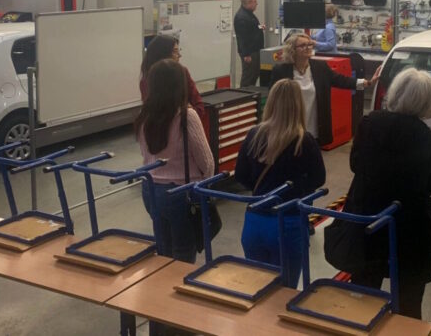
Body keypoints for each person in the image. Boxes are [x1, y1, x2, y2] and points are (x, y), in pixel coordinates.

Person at [341, 68, 431, 319]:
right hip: (409, 230)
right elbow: (429, 186)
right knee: (408, 307)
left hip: (368, 222)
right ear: (428, 101)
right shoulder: (428, 139)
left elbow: (355, 164)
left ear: (395, 93)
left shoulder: (369, 123)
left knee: (362, 300)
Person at [233, 79, 326, 287]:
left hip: (255, 221)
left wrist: (262, 188)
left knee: (257, 287)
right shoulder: (304, 141)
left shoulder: (254, 135)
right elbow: (319, 178)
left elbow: (240, 175)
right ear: (298, 105)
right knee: (285, 291)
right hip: (288, 223)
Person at [135, 59, 215, 263]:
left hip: (150, 189)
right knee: (183, 254)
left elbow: (146, 153)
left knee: (164, 250)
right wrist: (205, 186)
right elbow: (206, 161)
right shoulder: (186, 115)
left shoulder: (144, 115)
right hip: (181, 192)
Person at [270, 33, 380, 147]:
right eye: (302, 45)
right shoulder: (281, 71)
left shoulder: (320, 67)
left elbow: (340, 80)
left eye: (309, 44)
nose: (308, 48)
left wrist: (367, 82)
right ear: (292, 49)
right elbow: (273, 98)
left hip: (314, 129)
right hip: (290, 129)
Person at [139, 34, 205, 120]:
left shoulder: (183, 73)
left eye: (178, 51)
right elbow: (151, 114)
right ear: (163, 54)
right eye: (175, 51)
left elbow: (199, 107)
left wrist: (189, 113)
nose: (179, 55)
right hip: (159, 126)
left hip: (184, 123)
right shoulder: (146, 81)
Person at [233, 0, 265, 87]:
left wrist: (259, 27)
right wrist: (246, 54)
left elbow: (250, 28)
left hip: (255, 50)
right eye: (255, 2)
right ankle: (243, 94)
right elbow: (242, 37)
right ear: (249, 3)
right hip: (249, 53)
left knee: (254, 74)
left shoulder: (248, 14)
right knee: (248, 77)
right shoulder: (241, 17)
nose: (256, 4)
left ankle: (251, 93)